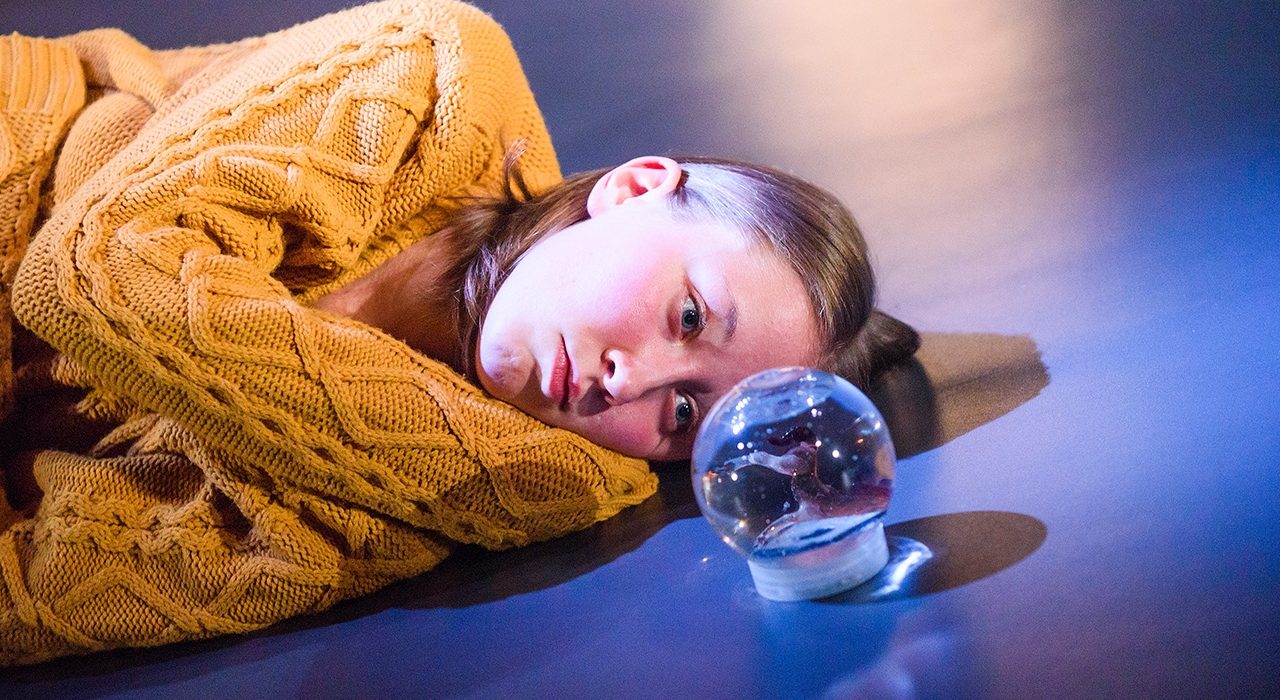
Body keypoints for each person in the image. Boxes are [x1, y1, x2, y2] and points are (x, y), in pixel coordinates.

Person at [0, 0, 916, 665]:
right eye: (687, 318)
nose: (624, 385)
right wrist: (530, 488)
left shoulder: (440, 498)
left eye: (684, 413)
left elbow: (46, 590)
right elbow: (85, 273)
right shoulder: (436, 80)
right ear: (636, 188)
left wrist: (531, 485)